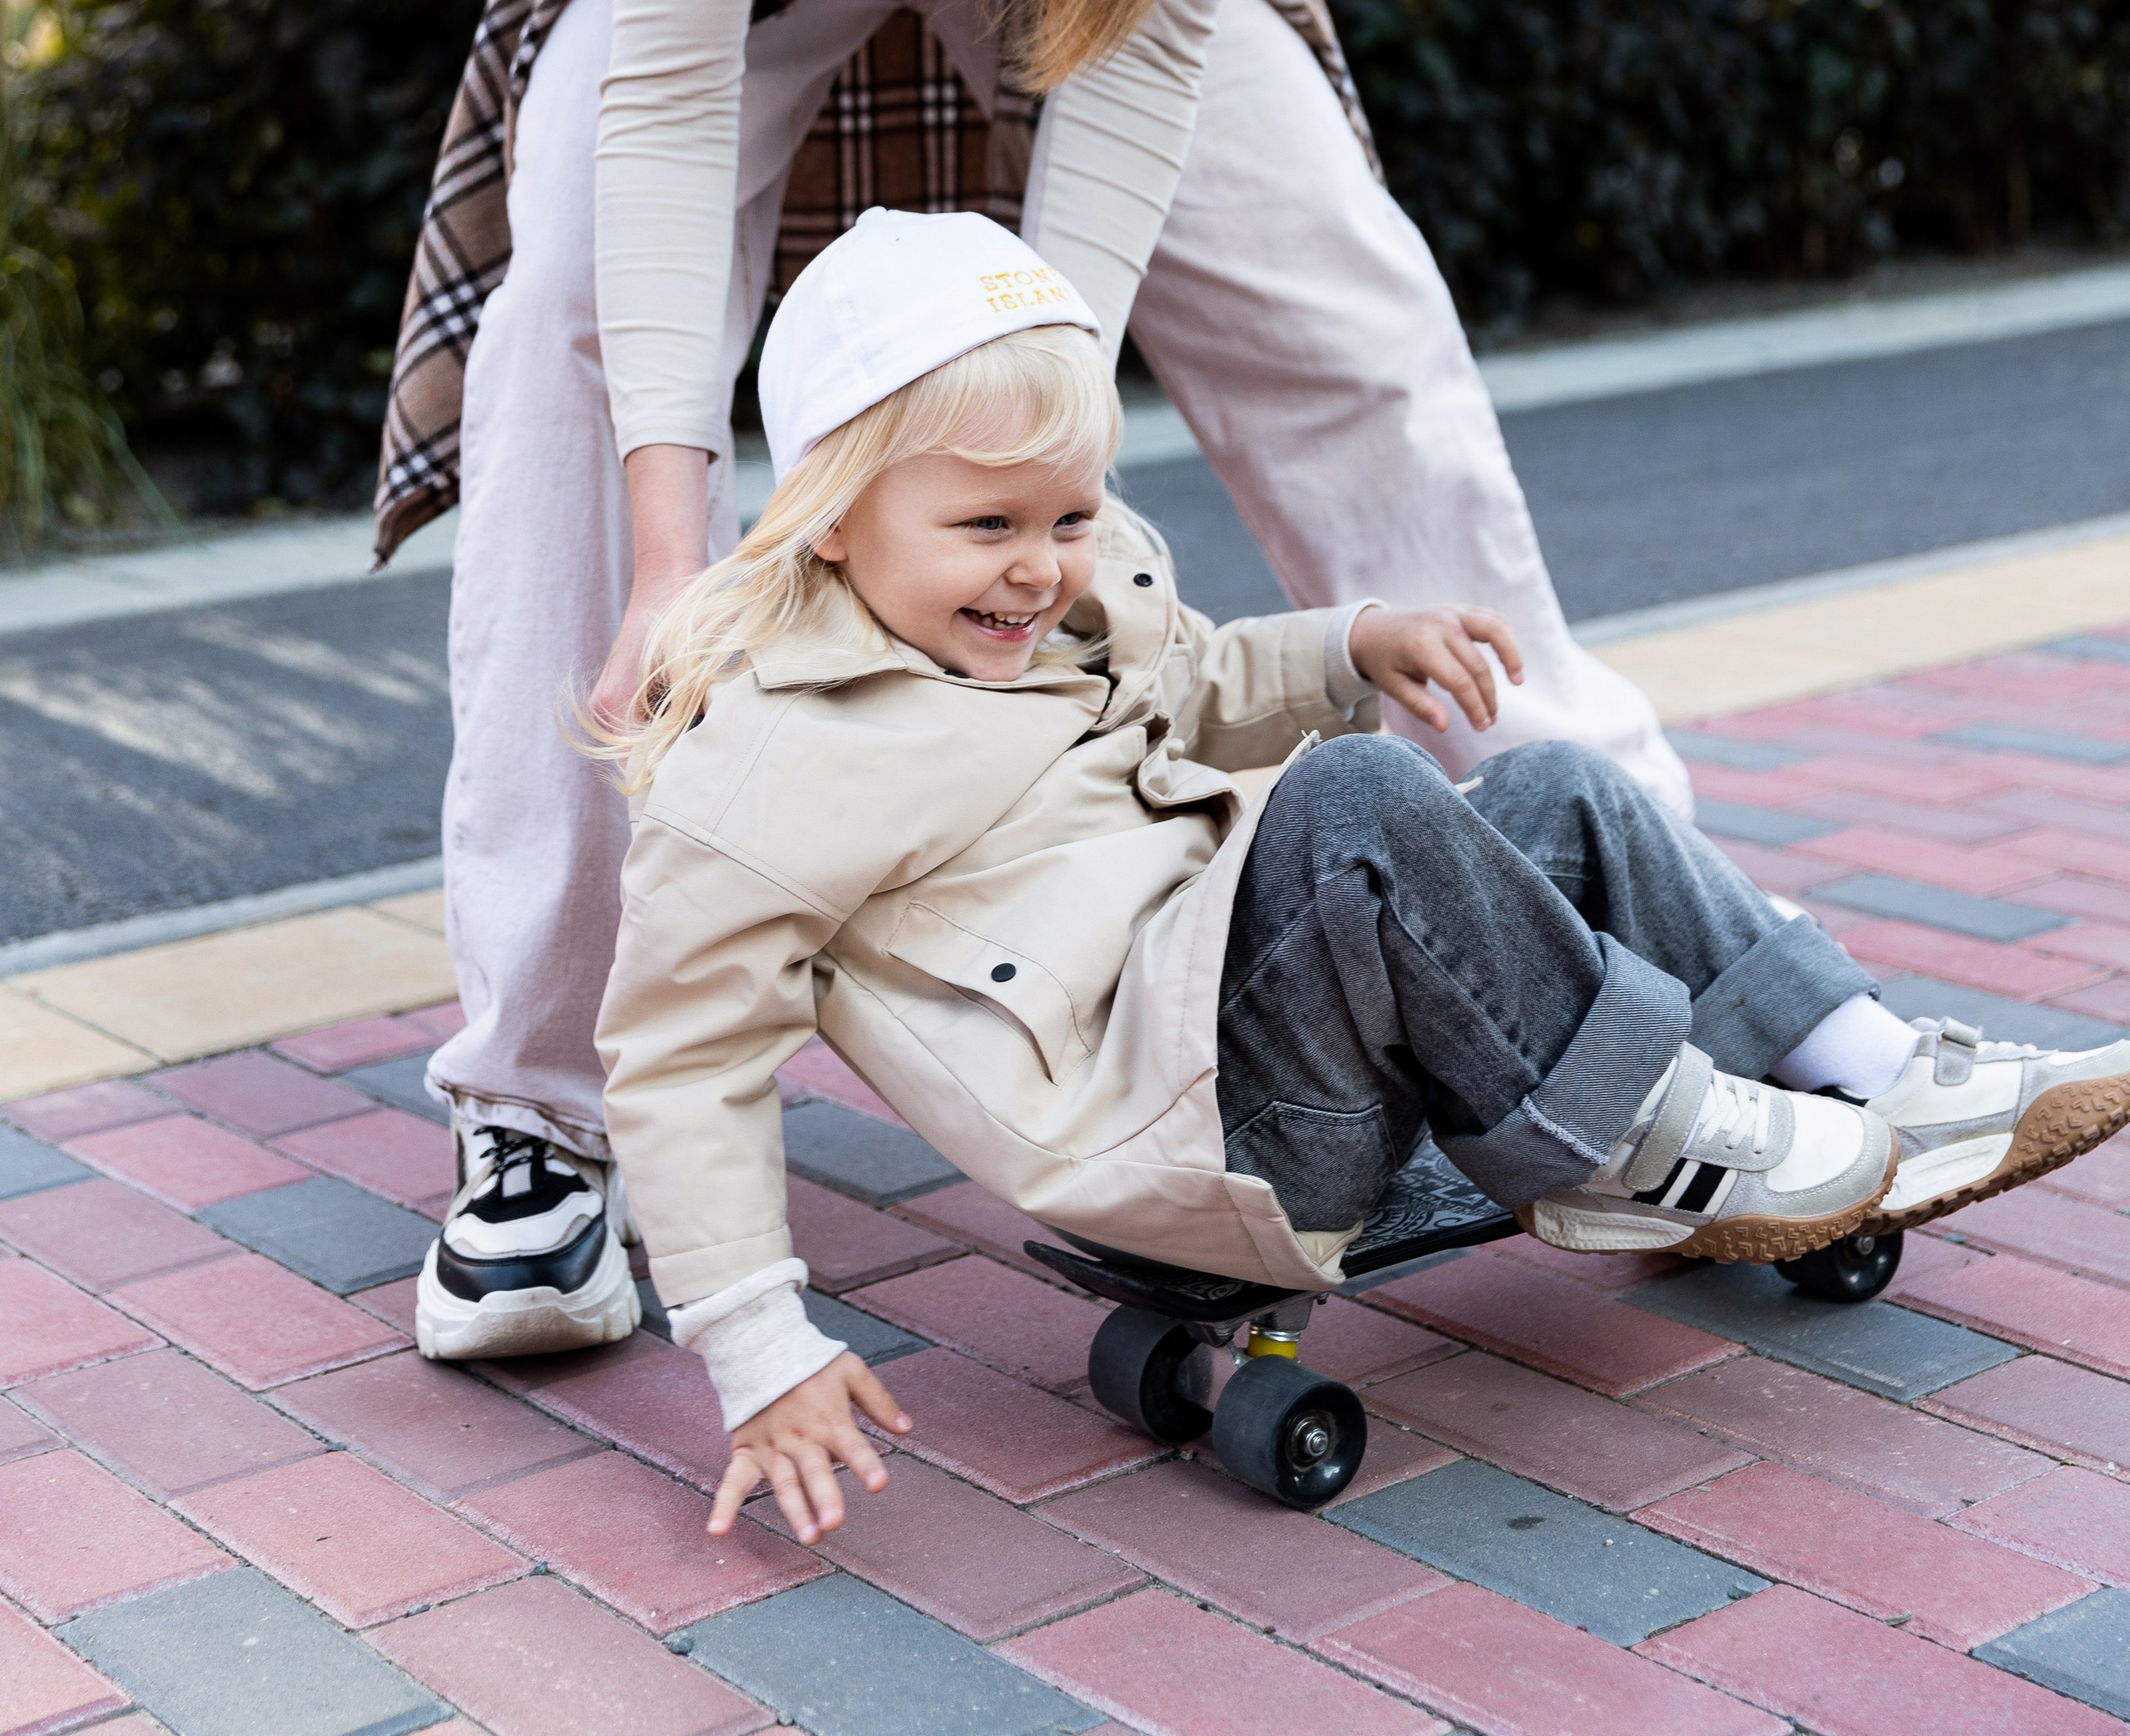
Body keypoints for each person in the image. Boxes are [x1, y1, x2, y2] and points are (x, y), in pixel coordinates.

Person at [388, 0, 1701, 1367]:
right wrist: (666, 558)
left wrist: (1044, 515)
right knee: (564, 339)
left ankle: (1627, 901)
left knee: (1345, 302)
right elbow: (671, 106)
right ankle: (540, 1121)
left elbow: (1146, 75)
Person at [596, 210, 2130, 1550]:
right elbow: (680, 1057)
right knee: (1355, 803)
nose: (1043, 565)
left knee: (1557, 790)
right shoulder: (773, 761)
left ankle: (1870, 1070)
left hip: (1278, 1036)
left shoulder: (1051, 605)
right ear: (830, 512)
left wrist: (1350, 645)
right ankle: (1653, 1141)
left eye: (1071, 515)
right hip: (1212, 1133)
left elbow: (1191, 675)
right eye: (987, 526)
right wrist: (756, 1347)